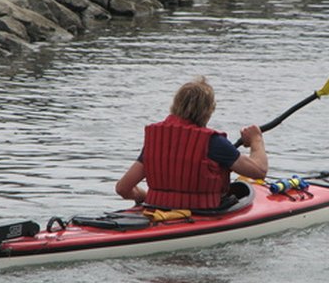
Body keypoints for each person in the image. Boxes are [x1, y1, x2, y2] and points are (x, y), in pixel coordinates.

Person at [115, 76, 268, 209]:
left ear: (174, 106)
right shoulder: (214, 142)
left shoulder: (156, 140)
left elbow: (123, 189)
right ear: (208, 111)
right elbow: (259, 171)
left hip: (156, 208)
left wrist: (147, 197)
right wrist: (256, 140)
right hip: (203, 212)